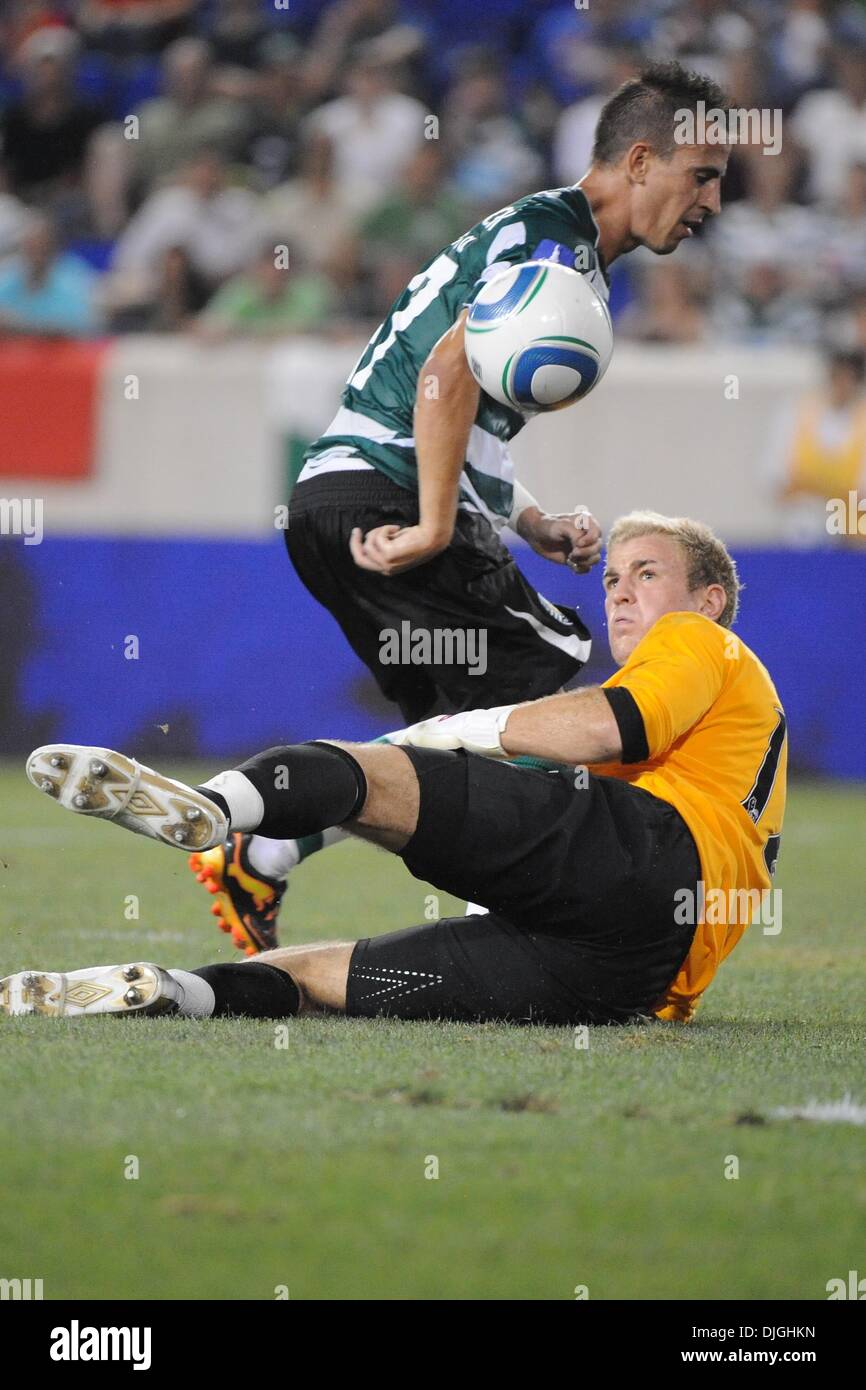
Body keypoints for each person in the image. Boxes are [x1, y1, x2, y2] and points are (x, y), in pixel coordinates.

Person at [6, 511, 787, 1029]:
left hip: (643, 859)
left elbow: (604, 728)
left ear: (708, 599)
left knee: (363, 770)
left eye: (646, 574)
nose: (620, 594)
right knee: (316, 978)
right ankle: (176, 991)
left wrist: (458, 731)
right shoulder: (720, 720)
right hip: (631, 978)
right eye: (612, 578)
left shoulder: (698, 641)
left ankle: (211, 814)